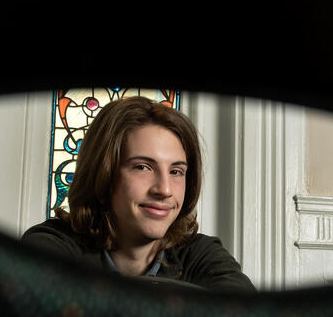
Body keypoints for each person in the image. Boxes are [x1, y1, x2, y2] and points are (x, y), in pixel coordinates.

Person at [22, 96, 255, 292]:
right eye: (142, 167)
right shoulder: (52, 245)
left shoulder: (201, 255)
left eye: (176, 171)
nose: (164, 190)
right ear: (103, 174)